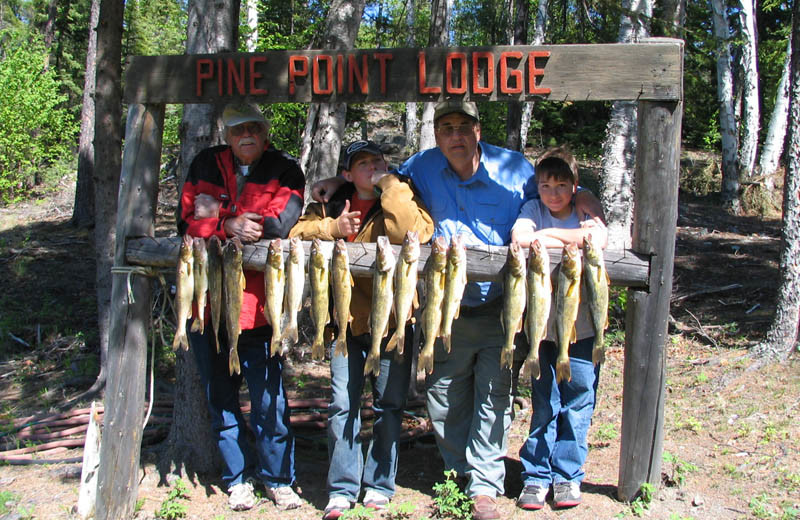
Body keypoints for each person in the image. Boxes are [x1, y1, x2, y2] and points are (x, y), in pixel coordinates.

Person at [311, 101, 603, 520]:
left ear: (478, 131)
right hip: (445, 310)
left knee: (493, 396)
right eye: (446, 128)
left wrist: (587, 196)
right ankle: (459, 473)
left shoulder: (515, 168)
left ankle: (485, 486)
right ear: (436, 134)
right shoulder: (422, 165)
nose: (455, 136)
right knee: (444, 398)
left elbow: (555, 190)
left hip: (503, 307)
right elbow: (375, 178)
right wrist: (331, 182)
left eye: (463, 127)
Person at [289, 140, 434, 519]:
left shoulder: (404, 195)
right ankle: (341, 488)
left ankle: (381, 484)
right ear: (347, 174)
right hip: (345, 326)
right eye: (362, 164)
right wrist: (330, 226)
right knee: (342, 405)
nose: (371, 167)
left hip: (394, 321)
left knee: (390, 405)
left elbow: (411, 233)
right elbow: (293, 237)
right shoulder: (330, 203)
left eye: (377, 161)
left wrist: (390, 185)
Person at [177, 102, 305, 512]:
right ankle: (238, 479)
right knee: (222, 401)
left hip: (262, 310)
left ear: (265, 133)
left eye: (253, 128)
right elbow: (189, 217)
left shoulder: (284, 166)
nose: (245, 135)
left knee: (270, 403)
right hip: (208, 310)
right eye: (237, 130)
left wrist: (226, 220)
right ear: (227, 135)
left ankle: (279, 479)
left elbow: (282, 220)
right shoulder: (205, 164)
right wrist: (227, 223)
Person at [510, 146, 607, 511]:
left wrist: (548, 237)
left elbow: (598, 241)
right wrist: (570, 237)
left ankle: (567, 475)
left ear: (575, 186)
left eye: (562, 185)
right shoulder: (531, 210)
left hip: (581, 329)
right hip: (542, 330)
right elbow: (521, 239)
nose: (553, 193)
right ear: (537, 187)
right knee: (544, 402)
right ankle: (535, 476)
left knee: (578, 401)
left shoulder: (586, 210)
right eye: (546, 185)